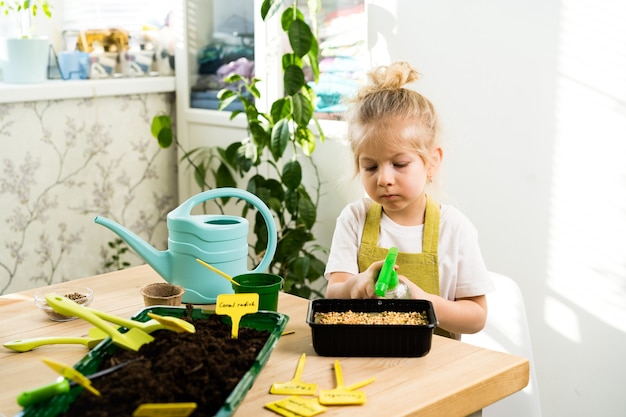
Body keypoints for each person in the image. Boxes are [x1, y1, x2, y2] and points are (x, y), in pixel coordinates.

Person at [324, 61, 494, 338]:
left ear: (431, 162)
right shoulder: (354, 218)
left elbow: (476, 317)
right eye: (370, 167)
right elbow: (334, 292)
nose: (384, 179)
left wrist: (422, 300)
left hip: (433, 366)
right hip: (364, 355)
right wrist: (357, 285)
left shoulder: (454, 229)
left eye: (399, 164)